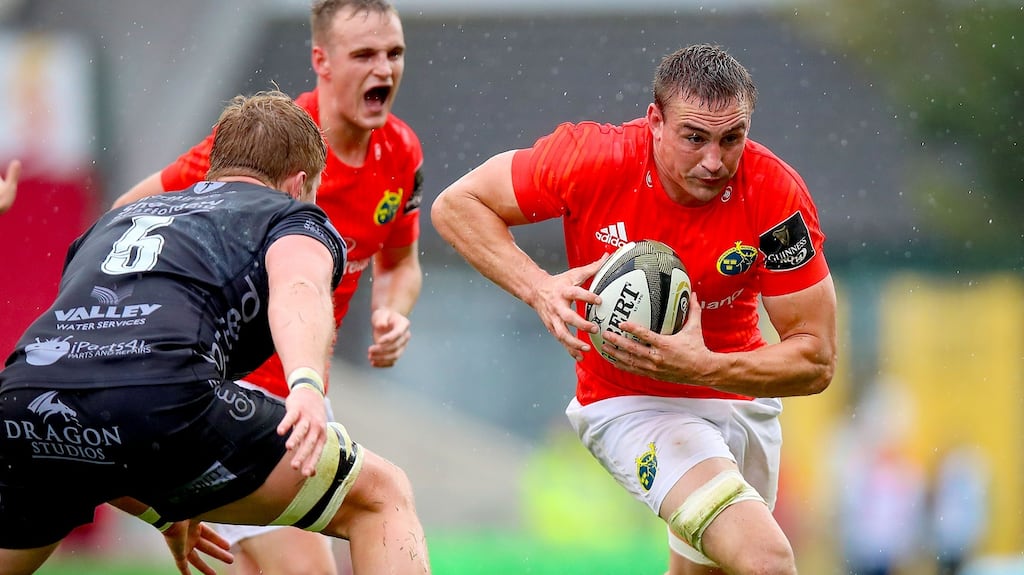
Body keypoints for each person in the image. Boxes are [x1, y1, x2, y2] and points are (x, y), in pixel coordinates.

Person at [431, 43, 837, 575]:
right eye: (694, 138)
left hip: (739, 398)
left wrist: (703, 366)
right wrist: (538, 287)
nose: (714, 161)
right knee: (766, 559)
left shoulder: (776, 199)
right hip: (631, 402)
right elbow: (457, 205)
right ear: (654, 122)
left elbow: (816, 361)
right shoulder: (592, 159)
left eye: (731, 139)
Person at [0, 90, 430, 575]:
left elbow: (94, 387)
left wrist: (159, 505)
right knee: (382, 496)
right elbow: (300, 286)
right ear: (299, 182)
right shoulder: (287, 213)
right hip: (164, 397)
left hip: (21, 401)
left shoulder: (114, 221)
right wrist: (305, 383)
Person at [111, 1, 423, 573]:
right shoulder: (267, 144)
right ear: (321, 61)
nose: (384, 69)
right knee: (356, 525)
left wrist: (391, 310)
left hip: (303, 393)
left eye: (394, 53)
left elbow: (401, 262)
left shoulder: (401, 153)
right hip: (227, 395)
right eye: (364, 54)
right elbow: (128, 217)